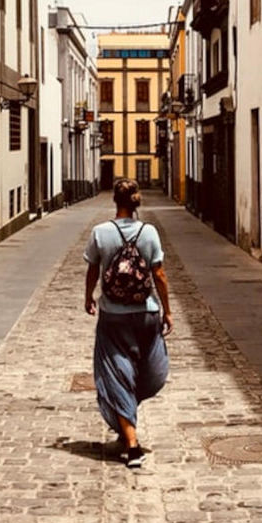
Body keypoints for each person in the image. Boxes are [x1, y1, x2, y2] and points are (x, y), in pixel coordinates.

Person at [84, 177, 172, 468]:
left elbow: (93, 269)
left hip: (114, 316)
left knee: (116, 373)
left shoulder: (100, 232)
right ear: (136, 203)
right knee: (148, 369)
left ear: (115, 201)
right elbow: (159, 275)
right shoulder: (149, 233)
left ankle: (131, 444)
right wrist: (166, 310)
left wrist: (89, 297)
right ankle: (127, 426)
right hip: (146, 312)